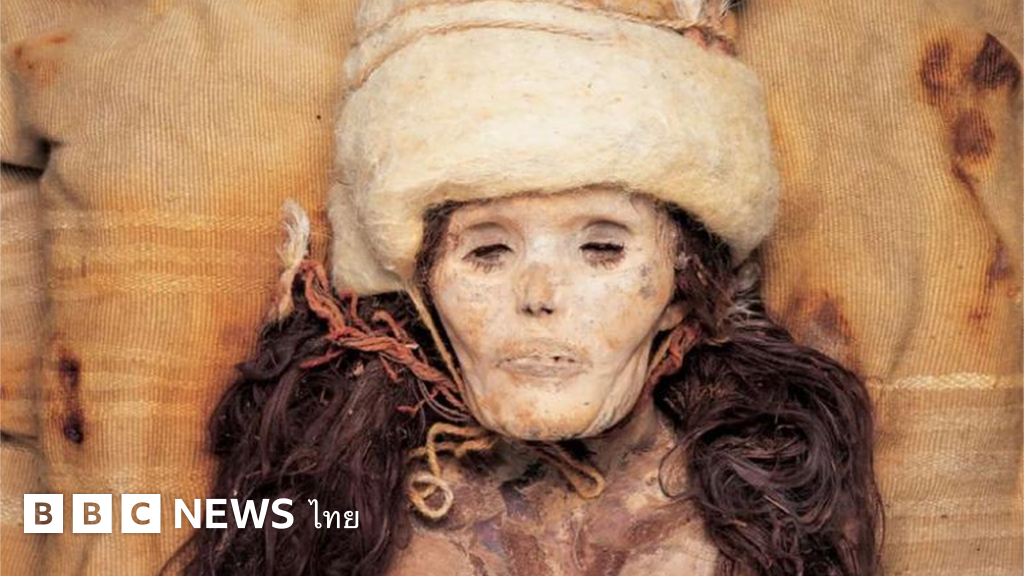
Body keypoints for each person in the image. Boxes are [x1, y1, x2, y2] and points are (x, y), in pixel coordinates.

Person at [175, 0, 880, 574]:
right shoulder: (327, 515)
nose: (540, 295)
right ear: (421, 285)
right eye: (488, 251)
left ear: (681, 287)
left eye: (602, 248)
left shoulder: (770, 515)